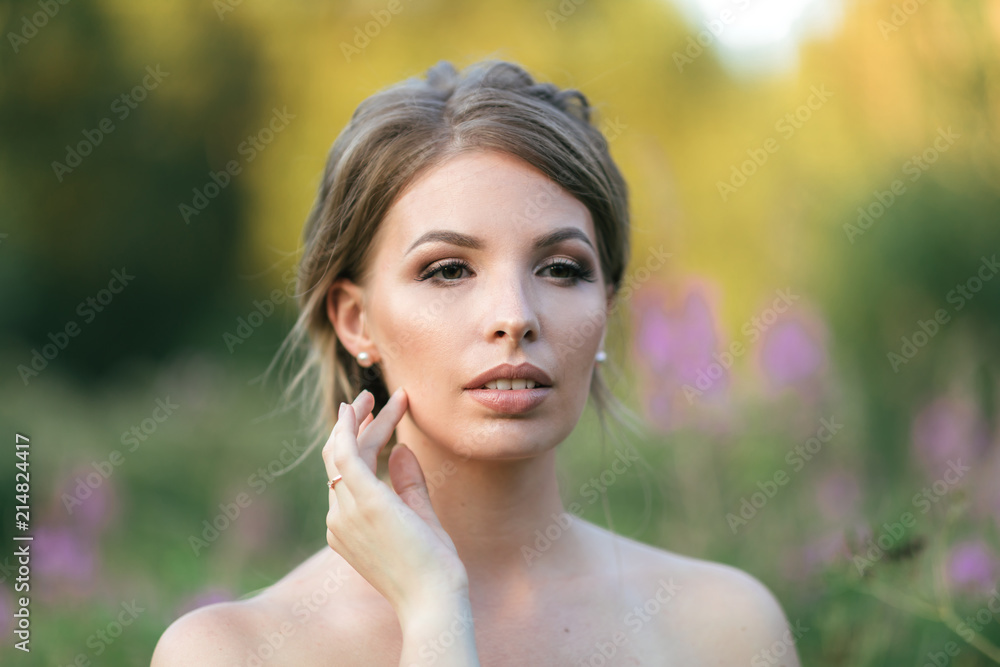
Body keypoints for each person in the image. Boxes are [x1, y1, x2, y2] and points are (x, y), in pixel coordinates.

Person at [152, 58, 801, 666]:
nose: (515, 315)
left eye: (561, 268)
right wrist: (433, 610)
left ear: (607, 306)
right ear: (355, 320)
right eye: (448, 269)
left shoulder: (726, 627)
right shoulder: (230, 653)